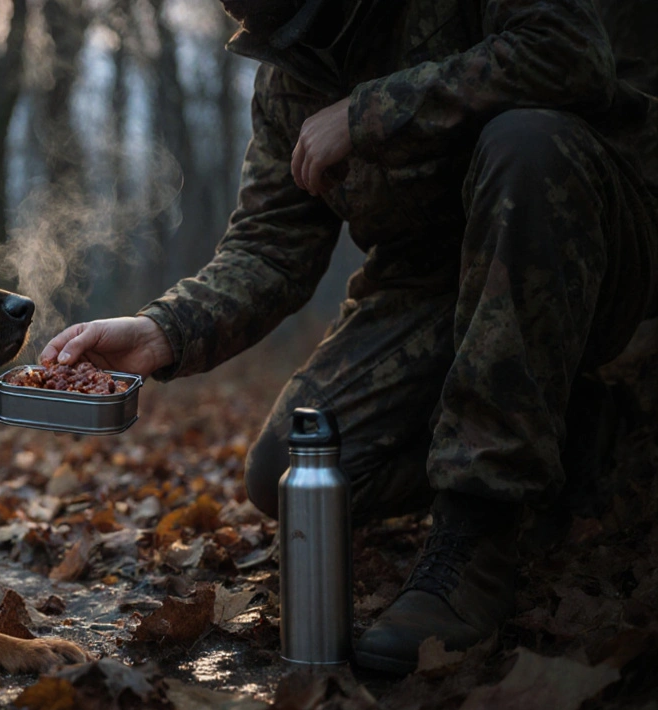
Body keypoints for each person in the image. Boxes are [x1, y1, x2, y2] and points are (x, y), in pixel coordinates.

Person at [40, 0, 658, 674]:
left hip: (590, 239)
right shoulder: (289, 72)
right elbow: (272, 247)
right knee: (293, 470)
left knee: (528, 142)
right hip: (429, 290)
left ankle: (478, 526)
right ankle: (570, 429)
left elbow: (568, 50)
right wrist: (163, 330)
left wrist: (368, 116)